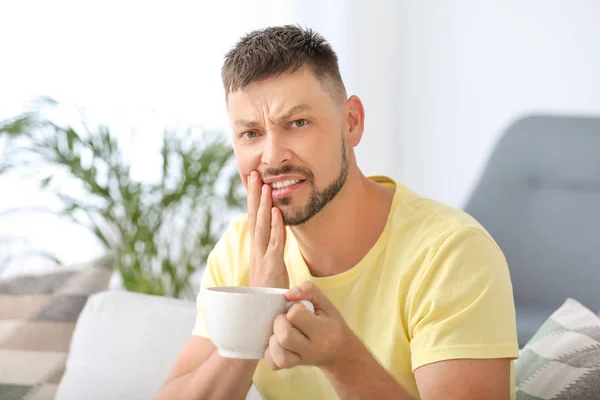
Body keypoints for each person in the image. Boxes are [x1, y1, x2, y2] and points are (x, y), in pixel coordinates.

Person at [157, 25, 519, 400]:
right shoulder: (241, 249)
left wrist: (344, 360)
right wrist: (253, 313)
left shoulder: (451, 255)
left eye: (297, 123)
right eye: (251, 133)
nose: (272, 156)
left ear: (352, 122)